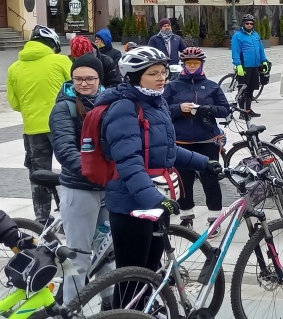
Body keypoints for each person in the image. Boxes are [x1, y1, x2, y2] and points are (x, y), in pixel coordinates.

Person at [98, 47, 219, 279]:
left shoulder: (157, 104)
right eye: (153, 73)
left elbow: (167, 150)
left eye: (163, 72)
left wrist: (205, 163)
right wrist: (155, 200)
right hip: (130, 206)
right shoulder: (124, 108)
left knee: (150, 272)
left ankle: (146, 313)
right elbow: (129, 162)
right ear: (133, 77)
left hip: (154, 201)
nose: (161, 77)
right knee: (131, 278)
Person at [48, 53, 113, 305]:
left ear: (100, 79)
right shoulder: (63, 107)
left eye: (90, 79)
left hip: (109, 188)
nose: (84, 83)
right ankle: (72, 307)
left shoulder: (110, 102)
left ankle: (110, 305)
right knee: (77, 257)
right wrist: (93, 171)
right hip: (80, 188)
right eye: (78, 79)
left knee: (108, 253)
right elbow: (65, 149)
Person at [7, 25, 72, 223]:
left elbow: (15, 103)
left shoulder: (14, 68)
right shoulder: (61, 60)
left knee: (38, 174)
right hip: (62, 127)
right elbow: (75, 88)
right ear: (52, 43)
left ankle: (42, 218)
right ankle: (70, 212)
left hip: (33, 129)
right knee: (72, 170)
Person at [162, 47, 229, 235]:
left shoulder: (211, 86)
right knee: (184, 182)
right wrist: (179, 108)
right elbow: (162, 110)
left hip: (207, 141)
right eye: (189, 63)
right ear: (183, 64)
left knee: (210, 180)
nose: (192, 66)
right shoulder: (172, 86)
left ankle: (215, 219)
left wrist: (206, 109)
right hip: (181, 143)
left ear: (201, 64)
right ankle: (186, 217)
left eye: (196, 63)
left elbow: (225, 110)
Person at [230, 14, 268, 117]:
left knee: (251, 89)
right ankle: (242, 112)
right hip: (244, 66)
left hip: (255, 66)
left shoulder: (255, 35)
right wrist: (238, 65)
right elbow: (235, 51)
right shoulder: (237, 36)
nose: (249, 25)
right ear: (243, 24)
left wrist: (264, 60)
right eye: (247, 23)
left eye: (251, 23)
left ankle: (248, 110)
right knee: (243, 89)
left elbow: (261, 49)